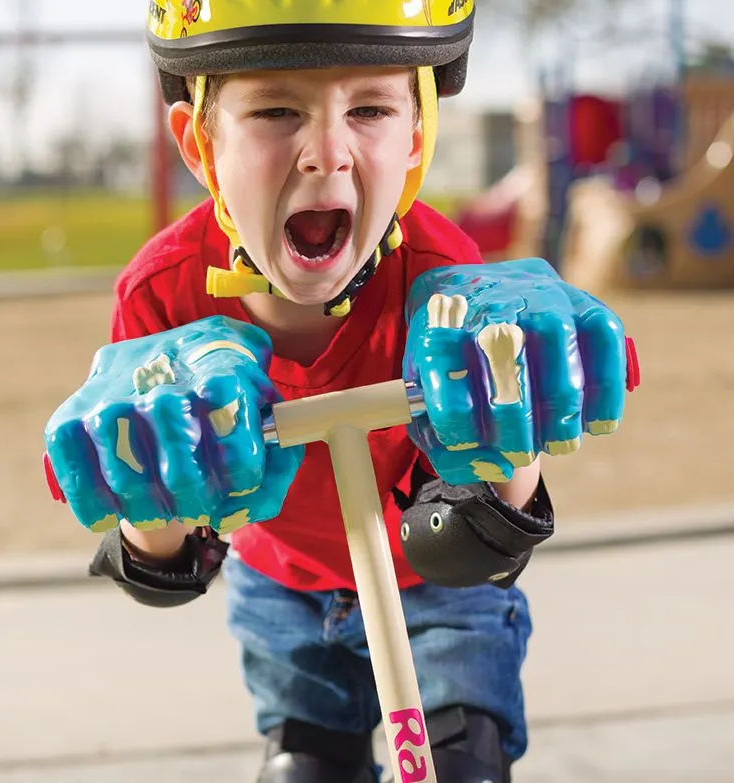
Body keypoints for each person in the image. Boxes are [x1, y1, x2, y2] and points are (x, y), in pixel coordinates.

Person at [43, 2, 635, 781]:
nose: (326, 153)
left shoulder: (440, 276)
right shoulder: (160, 296)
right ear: (200, 143)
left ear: (417, 134)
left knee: (463, 765)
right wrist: (151, 501)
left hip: (433, 587)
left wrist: (508, 438)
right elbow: (170, 561)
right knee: (306, 768)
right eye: (276, 109)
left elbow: (478, 539)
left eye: (369, 109)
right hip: (281, 585)